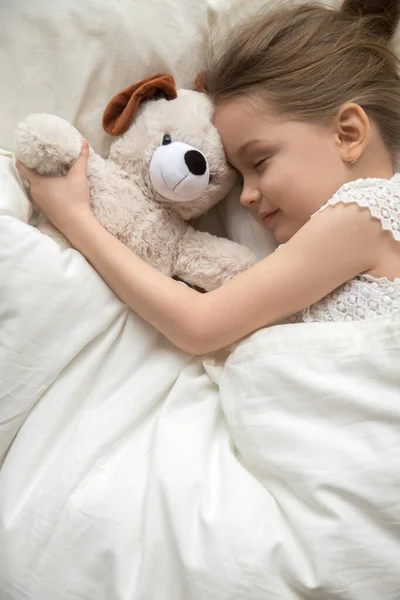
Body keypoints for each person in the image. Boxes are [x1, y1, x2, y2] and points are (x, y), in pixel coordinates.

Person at [16, 0, 400, 355]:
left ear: (347, 134)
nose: (246, 196)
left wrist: (76, 219)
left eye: (260, 161)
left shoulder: (365, 213)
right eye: (239, 175)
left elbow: (200, 325)